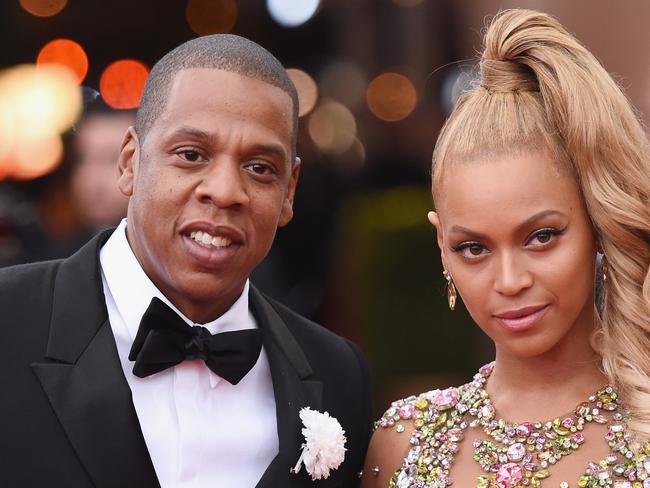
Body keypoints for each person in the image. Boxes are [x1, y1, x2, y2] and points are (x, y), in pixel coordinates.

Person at [0, 34, 372, 487]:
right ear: (130, 162)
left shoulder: (338, 375)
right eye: (191, 155)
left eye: (259, 168)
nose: (225, 191)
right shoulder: (10, 320)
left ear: (289, 191)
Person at [362, 9, 650, 488]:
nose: (510, 280)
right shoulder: (403, 442)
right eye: (473, 247)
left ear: (596, 224)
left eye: (541, 237)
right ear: (441, 246)